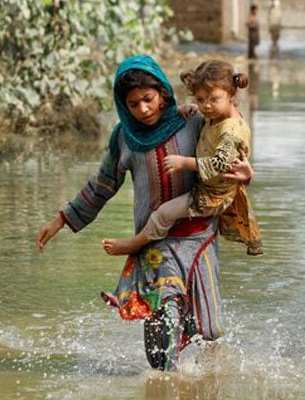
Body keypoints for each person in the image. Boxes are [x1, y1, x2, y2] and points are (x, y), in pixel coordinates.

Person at [34, 55, 254, 371]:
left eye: (148, 100)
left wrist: (247, 173)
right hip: (154, 244)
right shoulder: (125, 138)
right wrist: (62, 219)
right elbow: (102, 185)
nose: (143, 110)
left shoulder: (194, 121)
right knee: (162, 337)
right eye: (133, 104)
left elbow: (229, 155)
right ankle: (167, 384)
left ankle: (209, 385)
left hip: (200, 237)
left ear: (163, 93)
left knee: (210, 331)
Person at [102, 60, 263, 257]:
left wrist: (183, 162)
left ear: (231, 94)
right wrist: (191, 107)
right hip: (210, 189)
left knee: (163, 214)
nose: (206, 106)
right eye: (201, 99)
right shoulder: (212, 117)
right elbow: (101, 184)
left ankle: (134, 244)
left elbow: (219, 164)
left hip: (212, 195)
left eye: (213, 99)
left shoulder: (231, 131)